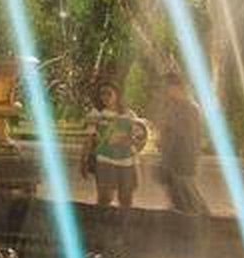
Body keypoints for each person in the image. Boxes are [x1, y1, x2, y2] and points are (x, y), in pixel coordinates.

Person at [80, 81, 148, 245]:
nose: (105, 97)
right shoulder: (96, 114)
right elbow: (88, 139)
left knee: (126, 199)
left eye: (108, 93)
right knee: (105, 197)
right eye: (102, 94)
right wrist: (83, 160)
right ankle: (100, 233)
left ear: (117, 94)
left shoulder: (129, 115)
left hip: (127, 161)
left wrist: (131, 142)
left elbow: (140, 137)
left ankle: (123, 233)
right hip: (105, 160)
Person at [151, 66, 211, 216]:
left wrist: (185, 159)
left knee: (188, 195)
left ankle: (205, 223)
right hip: (171, 158)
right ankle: (188, 223)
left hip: (183, 159)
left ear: (177, 87)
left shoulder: (190, 108)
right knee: (177, 195)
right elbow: (167, 130)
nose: (164, 91)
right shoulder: (172, 106)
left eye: (167, 87)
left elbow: (189, 137)